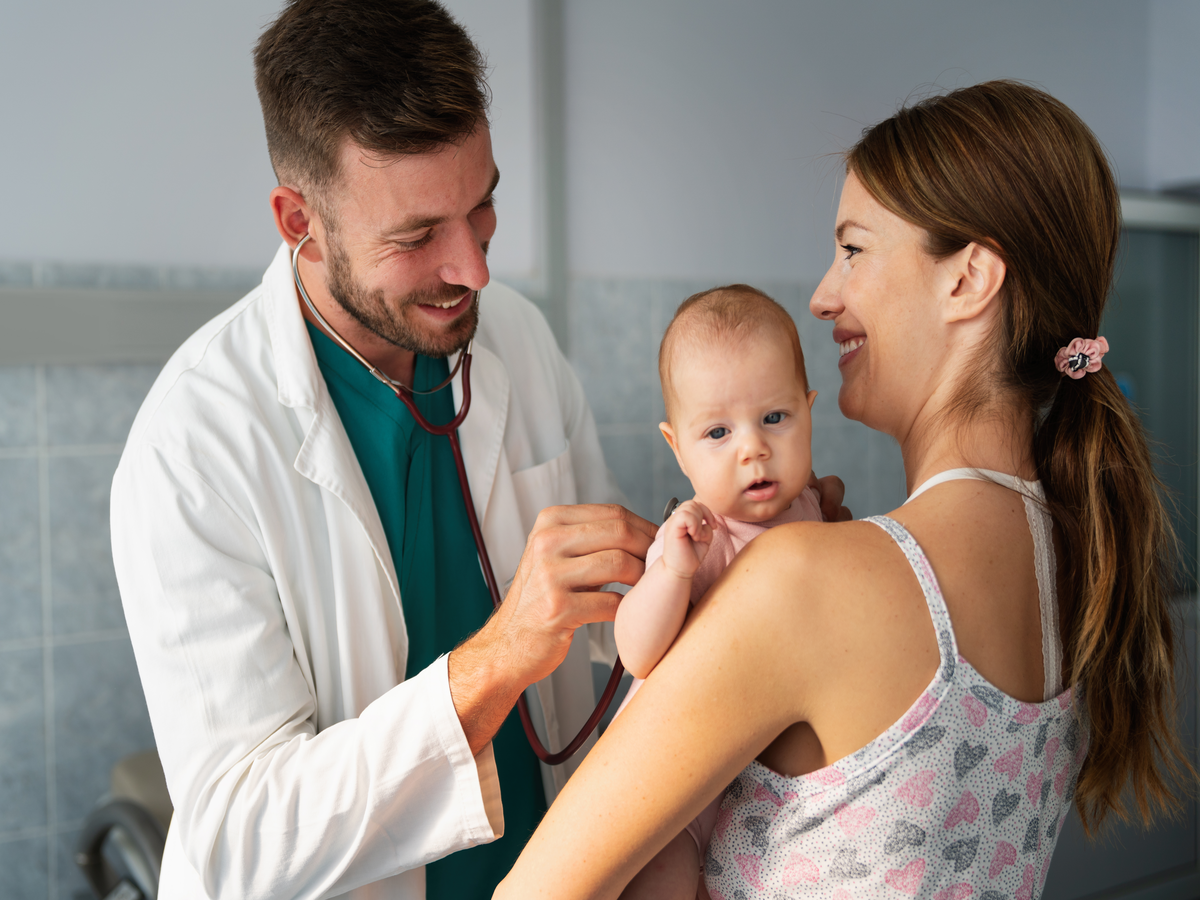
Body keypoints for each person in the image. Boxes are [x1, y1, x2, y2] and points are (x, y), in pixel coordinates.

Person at [495, 80, 1191, 900]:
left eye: (853, 249)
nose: (824, 296)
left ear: (968, 280)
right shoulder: (1081, 553)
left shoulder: (804, 578)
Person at [108, 2, 667, 897]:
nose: (475, 269)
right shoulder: (194, 446)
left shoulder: (515, 339)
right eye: (416, 238)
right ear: (300, 222)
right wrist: (500, 655)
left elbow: (611, 636)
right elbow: (239, 844)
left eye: (482, 207)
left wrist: (713, 562)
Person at [612, 285, 824, 900]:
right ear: (677, 448)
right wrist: (672, 575)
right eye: (717, 433)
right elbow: (636, 652)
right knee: (664, 880)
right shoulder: (698, 537)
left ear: (809, 412)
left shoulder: (815, 512)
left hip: (757, 790)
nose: (753, 447)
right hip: (672, 789)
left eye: (775, 419)